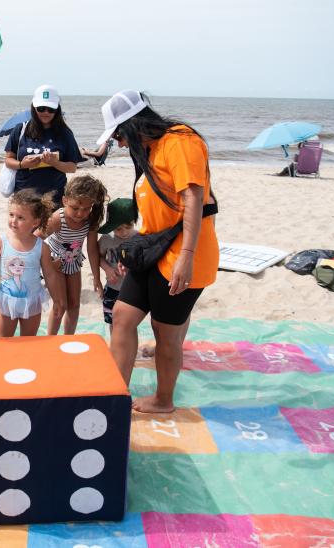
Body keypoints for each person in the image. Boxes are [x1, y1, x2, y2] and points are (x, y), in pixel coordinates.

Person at [97, 90, 218, 414]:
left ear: (134, 124)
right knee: (122, 316)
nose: (120, 144)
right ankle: (115, 394)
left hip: (182, 254)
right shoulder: (151, 150)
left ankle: (163, 400)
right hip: (154, 252)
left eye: (119, 135)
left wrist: (186, 257)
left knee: (165, 332)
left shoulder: (180, 141)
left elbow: (193, 197)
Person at [0, 189, 65, 337]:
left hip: (32, 301)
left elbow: (50, 275)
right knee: (3, 341)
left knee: (28, 342)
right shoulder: (0, 243)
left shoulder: (42, 247)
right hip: (6, 301)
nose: (13, 220)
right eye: (11, 215)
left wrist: (57, 299)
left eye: (20, 217)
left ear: (35, 222)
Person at [42, 174, 107, 335]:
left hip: (73, 262)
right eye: (75, 208)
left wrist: (97, 277)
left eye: (86, 208)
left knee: (74, 305)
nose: (80, 214)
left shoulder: (91, 220)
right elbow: (35, 240)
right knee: (60, 305)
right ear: (65, 201)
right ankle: (50, 340)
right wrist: (49, 262)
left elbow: (92, 250)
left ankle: (68, 339)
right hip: (55, 263)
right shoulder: (57, 219)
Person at [4, 85, 84, 206]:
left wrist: (54, 162)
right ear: (34, 107)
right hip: (24, 198)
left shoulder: (65, 133)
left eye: (51, 109)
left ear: (57, 110)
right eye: (41, 108)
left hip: (54, 199)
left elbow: (72, 167)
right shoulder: (20, 129)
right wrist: (22, 164)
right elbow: (8, 160)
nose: (46, 112)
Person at [97, 198, 138, 333]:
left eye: (129, 227)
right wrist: (107, 269)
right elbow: (99, 256)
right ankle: (115, 348)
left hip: (132, 289)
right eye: (119, 229)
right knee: (112, 321)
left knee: (130, 323)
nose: (124, 232)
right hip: (112, 288)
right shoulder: (107, 239)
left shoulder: (139, 238)